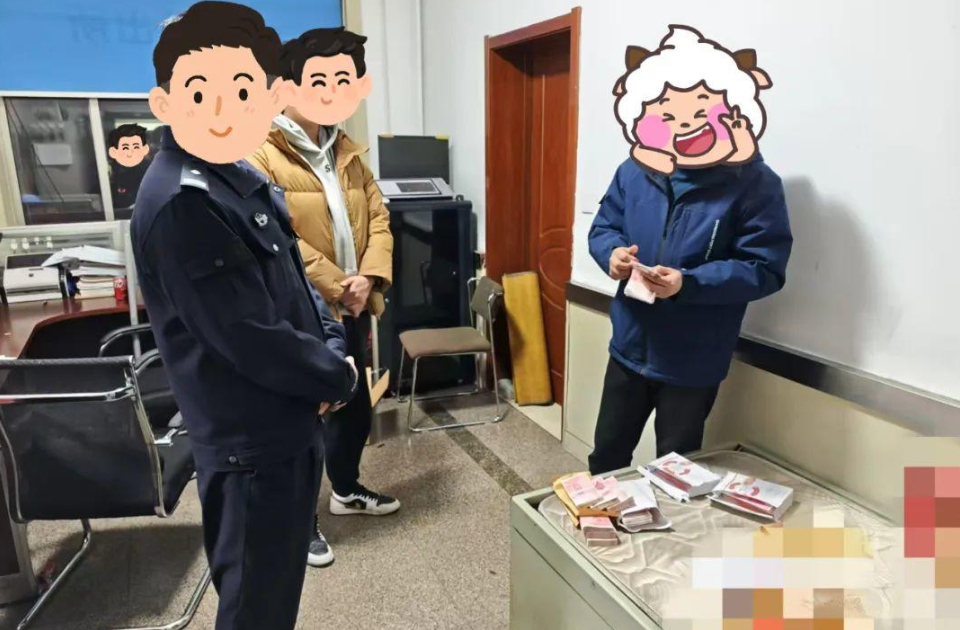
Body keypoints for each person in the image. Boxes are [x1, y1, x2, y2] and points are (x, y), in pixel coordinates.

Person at [131, 3, 357, 628]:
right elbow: (249, 336)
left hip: (286, 425)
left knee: (276, 595)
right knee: (256, 604)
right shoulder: (182, 201)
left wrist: (332, 346)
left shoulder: (234, 175)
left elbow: (296, 281)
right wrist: (335, 376)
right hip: (250, 445)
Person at [587, 26, 793, 474]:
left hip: (693, 362)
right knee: (606, 459)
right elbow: (604, 227)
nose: (684, 123)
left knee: (675, 473)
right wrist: (612, 254)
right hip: (628, 346)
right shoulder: (634, 170)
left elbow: (764, 268)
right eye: (667, 110)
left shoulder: (756, 184)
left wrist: (689, 283)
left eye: (701, 109)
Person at [248, 26, 398, 570]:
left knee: (353, 407)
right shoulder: (260, 152)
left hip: (353, 307)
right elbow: (276, 237)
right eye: (319, 80)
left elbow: (379, 217)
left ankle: (347, 489)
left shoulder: (346, 149)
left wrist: (369, 279)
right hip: (302, 312)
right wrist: (339, 284)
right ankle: (301, 519)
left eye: (344, 79)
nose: (332, 91)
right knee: (304, 418)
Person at [107, 123, 151, 210]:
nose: (130, 152)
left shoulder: (149, 168)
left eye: (136, 147)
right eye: (125, 148)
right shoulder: (115, 169)